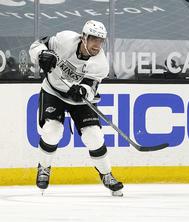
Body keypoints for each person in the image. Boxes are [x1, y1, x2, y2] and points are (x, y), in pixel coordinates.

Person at [29, 20, 123, 196]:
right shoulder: (65, 40)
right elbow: (37, 45)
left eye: (101, 40)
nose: (97, 44)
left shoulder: (100, 63)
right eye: (93, 39)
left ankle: (106, 174)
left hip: (79, 100)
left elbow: (91, 87)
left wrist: (83, 91)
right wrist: (42, 54)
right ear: (83, 37)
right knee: (52, 131)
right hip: (53, 91)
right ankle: (44, 167)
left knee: (93, 135)